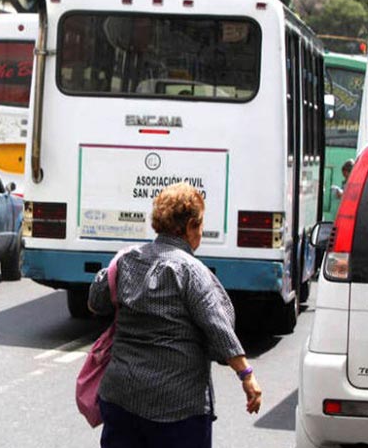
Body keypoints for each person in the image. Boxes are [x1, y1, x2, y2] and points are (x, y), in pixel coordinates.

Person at [88, 183, 261, 448]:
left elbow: (96, 301)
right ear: (191, 225)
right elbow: (218, 328)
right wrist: (246, 375)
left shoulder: (127, 259)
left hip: (121, 396)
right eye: (201, 226)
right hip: (177, 408)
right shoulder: (192, 271)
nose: (201, 233)